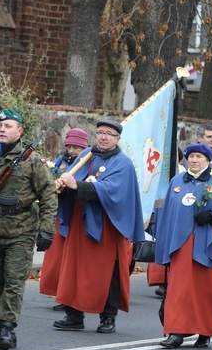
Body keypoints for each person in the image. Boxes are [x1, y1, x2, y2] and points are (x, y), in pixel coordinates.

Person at [51, 119, 145, 334]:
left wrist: (80, 186)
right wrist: (62, 187)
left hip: (107, 226)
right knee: (75, 268)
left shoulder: (123, 163)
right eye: (100, 132)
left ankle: (108, 318)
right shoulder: (87, 157)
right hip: (80, 223)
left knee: (108, 272)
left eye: (109, 134)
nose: (103, 137)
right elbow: (72, 180)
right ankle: (74, 314)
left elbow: (114, 192)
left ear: (117, 139)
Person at [155, 143, 212, 349]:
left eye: (199, 157)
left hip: (209, 244)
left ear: (208, 160)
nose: (194, 160)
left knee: (207, 289)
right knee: (180, 288)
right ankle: (176, 332)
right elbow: (167, 214)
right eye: (191, 156)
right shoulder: (177, 181)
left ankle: (205, 331)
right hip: (182, 244)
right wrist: (165, 243)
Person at [0, 108, 57, 350]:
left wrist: (46, 229)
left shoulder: (32, 161)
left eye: (8, 126)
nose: (2, 129)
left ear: (20, 131)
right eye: (0, 126)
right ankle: (1, 326)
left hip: (21, 232)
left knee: (13, 281)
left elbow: (48, 195)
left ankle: (6, 329)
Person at [40, 128, 88, 311]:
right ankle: (57, 291)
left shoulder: (86, 162)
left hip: (76, 213)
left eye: (76, 147)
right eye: (69, 146)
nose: (72, 151)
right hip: (60, 213)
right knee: (57, 257)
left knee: (72, 259)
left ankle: (68, 295)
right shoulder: (60, 161)